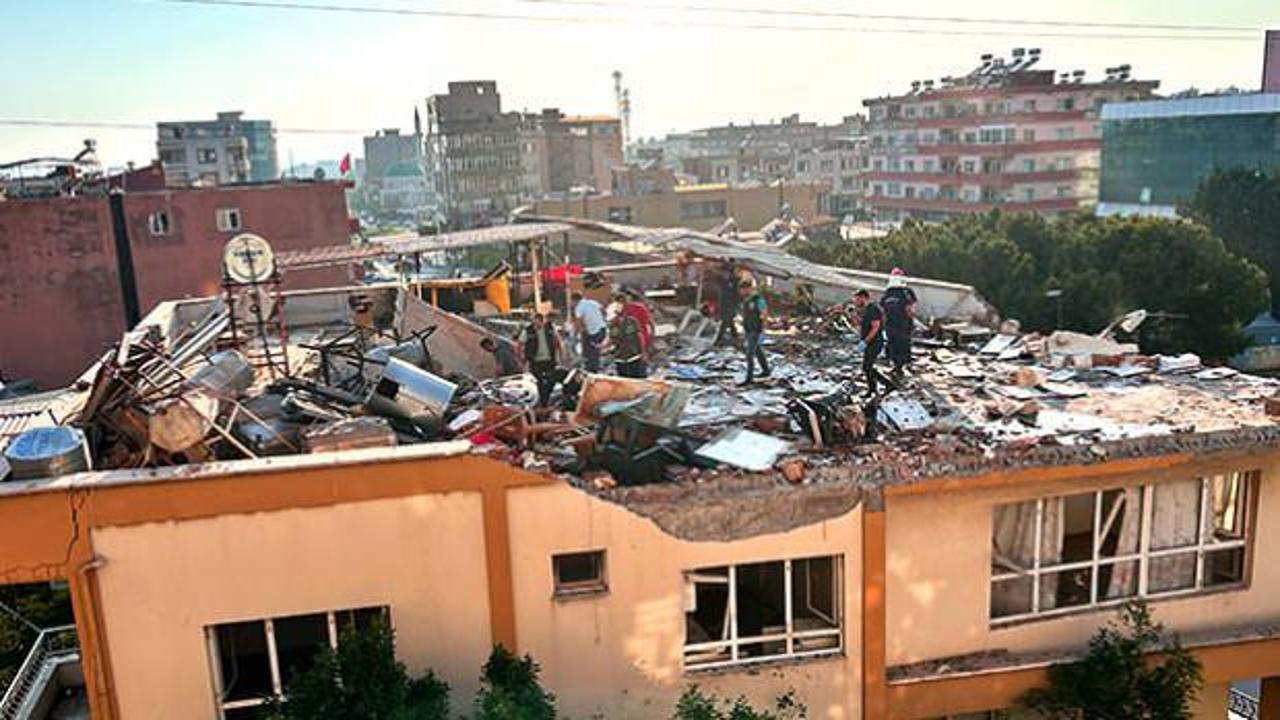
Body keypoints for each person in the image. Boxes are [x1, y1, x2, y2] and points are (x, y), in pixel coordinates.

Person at [519, 312, 563, 407]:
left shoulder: (550, 328)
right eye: (536, 322)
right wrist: (522, 357)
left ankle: (546, 399)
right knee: (539, 382)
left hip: (549, 360)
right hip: (535, 361)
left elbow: (558, 341)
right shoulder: (528, 331)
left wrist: (561, 355)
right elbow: (520, 343)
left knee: (551, 380)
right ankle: (543, 402)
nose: (538, 325)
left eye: (540, 322)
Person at [880, 267, 918, 378]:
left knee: (902, 344)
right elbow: (883, 308)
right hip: (891, 324)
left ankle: (902, 366)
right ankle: (897, 366)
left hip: (902, 324)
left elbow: (911, 307)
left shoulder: (906, 292)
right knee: (893, 344)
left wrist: (911, 320)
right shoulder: (888, 292)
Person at [852, 289, 887, 397]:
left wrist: (866, 341)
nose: (856, 302)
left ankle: (874, 389)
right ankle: (882, 386)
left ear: (864, 298)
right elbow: (863, 323)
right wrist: (853, 316)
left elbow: (875, 327)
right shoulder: (867, 310)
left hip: (875, 342)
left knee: (867, 366)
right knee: (868, 366)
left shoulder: (874, 309)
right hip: (870, 342)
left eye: (857, 299)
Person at [738, 279, 770, 385]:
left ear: (748, 289)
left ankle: (749, 378)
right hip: (748, 328)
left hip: (756, 329)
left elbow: (764, 313)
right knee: (758, 351)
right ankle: (766, 370)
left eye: (742, 289)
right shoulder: (746, 300)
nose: (741, 292)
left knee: (749, 354)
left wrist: (763, 329)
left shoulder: (758, 299)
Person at [571, 292, 607, 373]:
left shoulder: (579, 308)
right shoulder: (593, 302)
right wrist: (601, 320)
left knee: (588, 353)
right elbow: (604, 311)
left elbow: (580, 323)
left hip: (592, 332)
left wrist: (575, 335)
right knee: (596, 351)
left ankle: (591, 371)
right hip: (602, 329)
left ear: (574, 300)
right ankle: (597, 367)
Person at [616, 291, 655, 359]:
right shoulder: (620, 310)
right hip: (628, 341)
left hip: (641, 337)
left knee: (642, 358)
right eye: (620, 302)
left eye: (624, 300)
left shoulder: (639, 308)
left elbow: (650, 323)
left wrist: (652, 336)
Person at [611, 306, 647, 378]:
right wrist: (602, 347)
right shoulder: (612, 325)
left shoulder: (632, 321)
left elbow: (640, 336)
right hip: (620, 358)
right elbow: (611, 339)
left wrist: (643, 352)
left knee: (638, 379)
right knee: (624, 381)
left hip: (634, 356)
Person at [713, 261, 741, 347]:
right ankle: (734, 338)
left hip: (730, 304)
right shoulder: (723, 281)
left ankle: (719, 339)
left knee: (726, 322)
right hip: (724, 303)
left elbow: (736, 294)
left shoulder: (733, 282)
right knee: (728, 322)